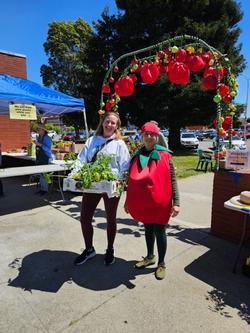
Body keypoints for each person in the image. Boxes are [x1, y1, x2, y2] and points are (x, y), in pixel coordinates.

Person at [69, 112, 130, 266]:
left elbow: (125, 166)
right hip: (92, 183)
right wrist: (74, 174)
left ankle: (110, 249)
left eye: (113, 123)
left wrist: (120, 179)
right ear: (102, 122)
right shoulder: (92, 140)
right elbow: (81, 160)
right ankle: (89, 249)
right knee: (84, 218)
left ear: (117, 126)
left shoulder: (119, 144)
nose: (109, 125)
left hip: (111, 185)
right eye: (107, 121)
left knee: (111, 219)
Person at [124, 121, 180, 280]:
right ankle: (150, 257)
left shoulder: (165, 155)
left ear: (157, 137)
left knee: (159, 230)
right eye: (146, 134)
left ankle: (161, 263)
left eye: (152, 134)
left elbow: (173, 180)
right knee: (148, 228)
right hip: (144, 203)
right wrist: (127, 201)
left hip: (161, 203)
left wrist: (177, 202)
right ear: (141, 136)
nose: (149, 137)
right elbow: (131, 182)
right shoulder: (135, 157)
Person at [34, 124, 53, 194]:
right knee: (41, 174)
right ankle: (41, 189)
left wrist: (40, 145)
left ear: (43, 130)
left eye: (39, 129)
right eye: (37, 129)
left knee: (44, 175)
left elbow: (48, 149)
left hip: (46, 157)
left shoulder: (47, 138)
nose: (37, 130)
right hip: (40, 157)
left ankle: (45, 190)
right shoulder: (39, 137)